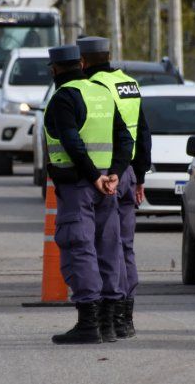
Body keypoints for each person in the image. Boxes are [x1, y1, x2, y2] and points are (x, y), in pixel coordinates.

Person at [44, 45, 134, 344]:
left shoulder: (64, 97)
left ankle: (88, 325)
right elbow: (125, 138)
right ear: (80, 64)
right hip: (107, 187)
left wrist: (95, 177)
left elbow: (72, 142)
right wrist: (115, 175)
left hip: (79, 186)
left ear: (55, 69)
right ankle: (108, 324)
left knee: (79, 246)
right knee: (109, 247)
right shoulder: (102, 93)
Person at [78, 36, 152, 339]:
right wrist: (141, 175)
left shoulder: (94, 88)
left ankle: (109, 317)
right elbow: (142, 131)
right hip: (130, 173)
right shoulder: (129, 84)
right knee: (126, 246)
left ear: (83, 62)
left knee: (105, 247)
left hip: (105, 175)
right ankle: (126, 319)